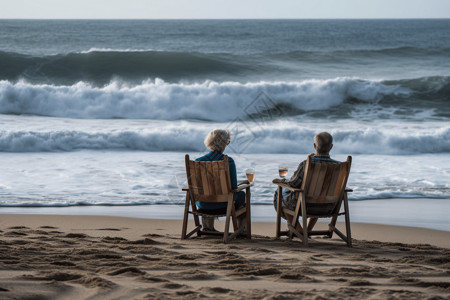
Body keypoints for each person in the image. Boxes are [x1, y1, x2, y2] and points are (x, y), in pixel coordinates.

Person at [273, 132, 338, 233]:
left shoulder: (306, 164)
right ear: (331, 147)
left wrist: (281, 181)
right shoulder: (338, 166)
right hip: (329, 207)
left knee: (279, 193)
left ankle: (300, 231)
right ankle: (307, 231)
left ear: (314, 146)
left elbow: (293, 184)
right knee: (319, 193)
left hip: (305, 206)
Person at [196, 129, 246, 231]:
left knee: (207, 194)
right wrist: (243, 184)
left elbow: (197, 187)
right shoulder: (228, 161)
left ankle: (207, 228)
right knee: (242, 195)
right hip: (224, 206)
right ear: (223, 144)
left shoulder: (198, 161)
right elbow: (233, 187)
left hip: (203, 205)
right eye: (227, 142)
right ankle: (241, 231)